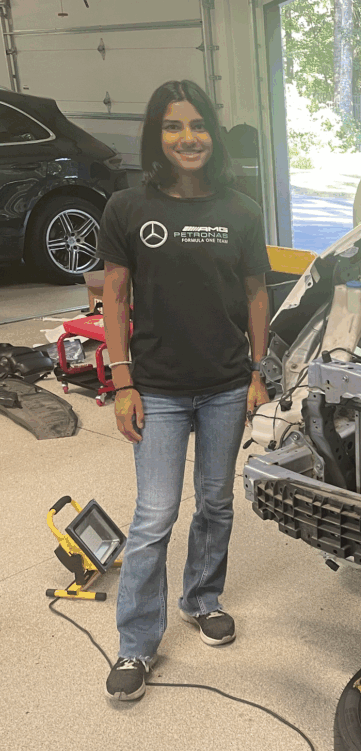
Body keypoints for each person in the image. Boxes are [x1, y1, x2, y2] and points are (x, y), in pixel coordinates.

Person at [97, 80, 272, 701]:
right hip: (159, 387)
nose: (188, 137)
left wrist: (257, 371)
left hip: (226, 383)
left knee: (217, 501)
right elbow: (114, 295)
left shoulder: (242, 210)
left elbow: (256, 292)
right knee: (155, 516)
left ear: (213, 134)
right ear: (157, 136)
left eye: (198, 125)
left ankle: (202, 598)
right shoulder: (127, 208)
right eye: (173, 126)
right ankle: (136, 644)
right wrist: (122, 382)